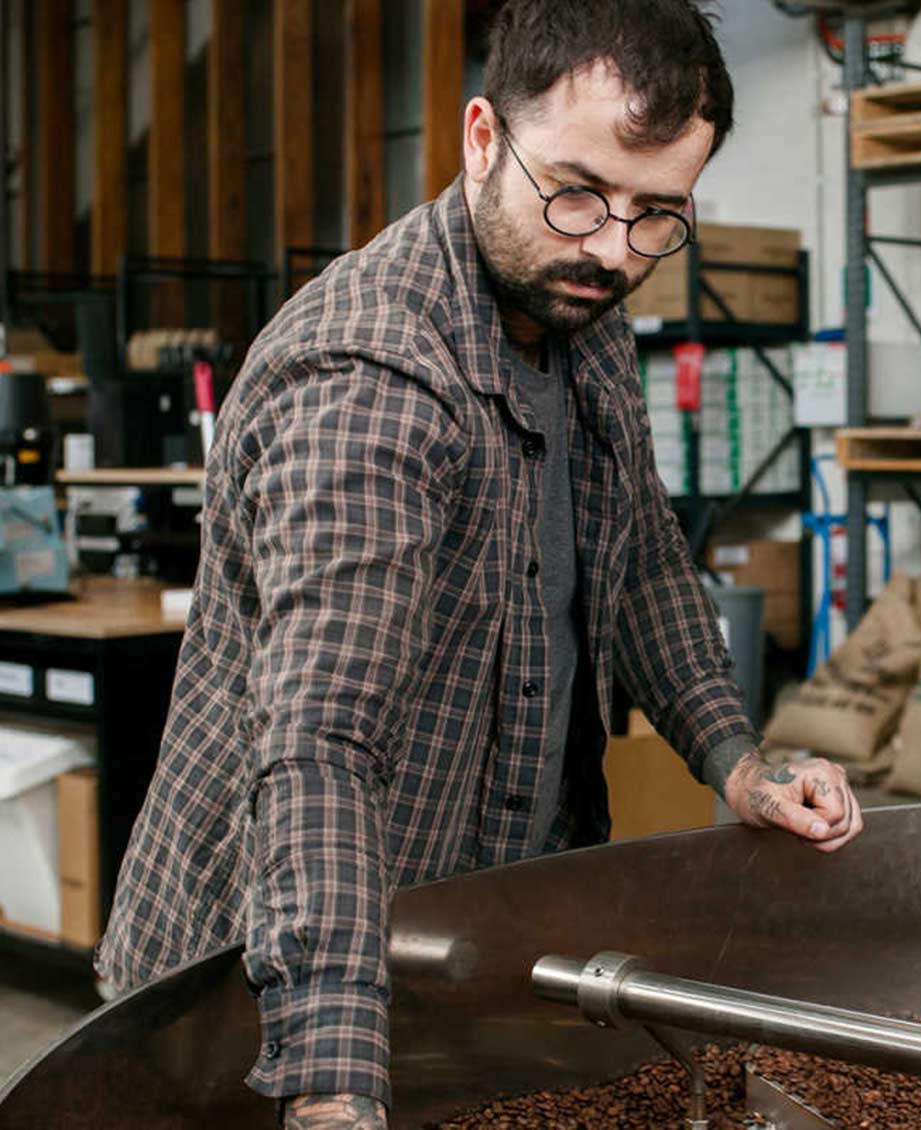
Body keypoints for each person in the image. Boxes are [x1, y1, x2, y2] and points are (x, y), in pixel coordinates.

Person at [96, 2, 862, 1126]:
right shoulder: (370, 378)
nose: (613, 248)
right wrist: (332, 1082)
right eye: (578, 192)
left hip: (455, 947)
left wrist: (735, 762)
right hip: (262, 994)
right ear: (481, 138)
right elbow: (321, 741)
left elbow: (642, 564)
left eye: (657, 213)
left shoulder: (581, 313)